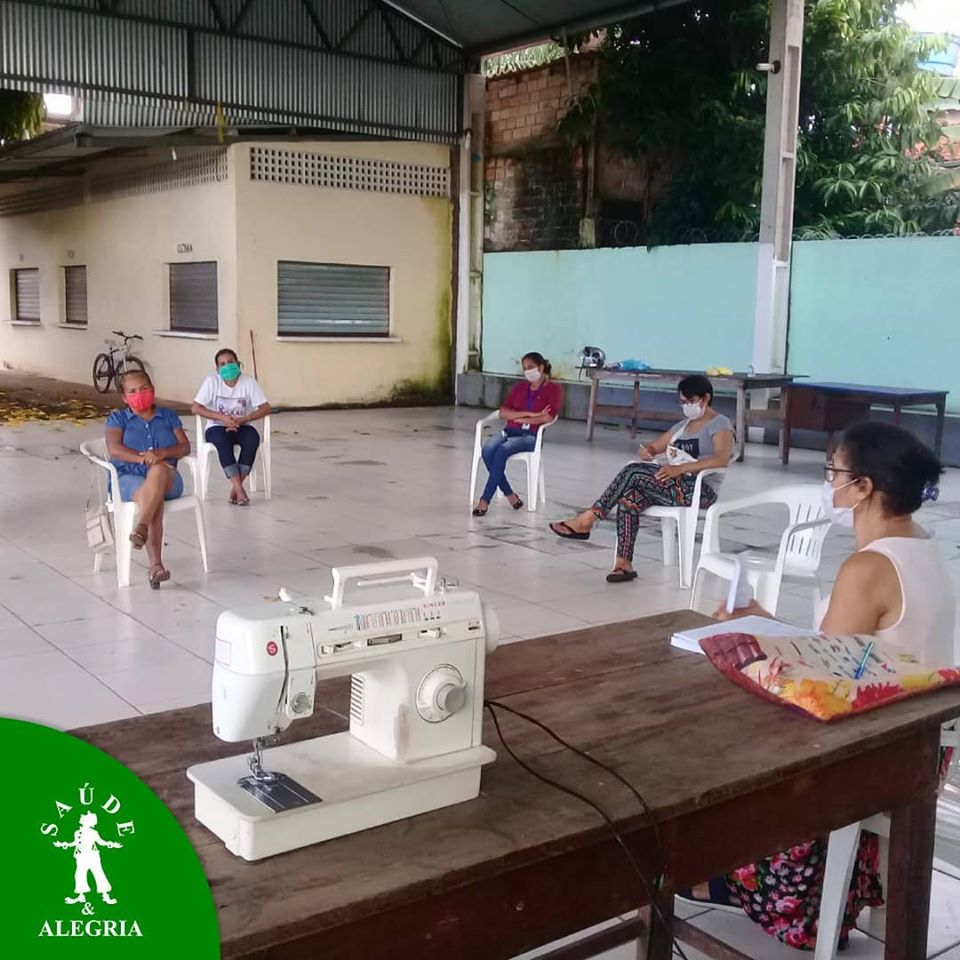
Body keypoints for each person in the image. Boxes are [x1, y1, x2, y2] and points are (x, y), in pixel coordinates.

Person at [687, 421, 955, 951]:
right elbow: (849, 651)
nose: (828, 483)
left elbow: (822, 679)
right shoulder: (922, 547)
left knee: (718, 731)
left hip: (874, 750)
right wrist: (767, 624)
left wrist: (751, 650)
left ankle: (748, 883)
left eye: (834, 471)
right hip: (919, 740)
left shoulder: (870, 566)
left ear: (864, 487)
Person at [550, 375, 733, 582]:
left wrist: (681, 468)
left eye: (691, 401)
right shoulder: (683, 426)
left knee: (633, 471)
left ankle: (587, 519)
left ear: (705, 398)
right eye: (683, 402)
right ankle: (623, 564)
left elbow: (722, 459)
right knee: (630, 498)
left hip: (701, 490)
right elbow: (655, 446)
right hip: (673, 485)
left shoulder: (720, 423)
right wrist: (648, 451)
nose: (687, 406)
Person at [105, 370, 190, 588]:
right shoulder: (117, 419)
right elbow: (114, 449)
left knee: (158, 474)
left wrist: (162, 453)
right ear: (124, 397)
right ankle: (156, 567)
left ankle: (141, 526)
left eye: (144, 389)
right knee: (153, 495)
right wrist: (143, 459)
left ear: (152, 389)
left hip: (169, 477)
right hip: (128, 478)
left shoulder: (168, 416)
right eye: (132, 391)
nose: (139, 394)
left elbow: (185, 447)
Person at [472, 352, 562, 517]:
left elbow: (548, 417)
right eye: (524, 368)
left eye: (530, 367)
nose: (527, 371)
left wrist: (520, 418)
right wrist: (530, 414)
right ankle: (510, 495)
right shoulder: (520, 387)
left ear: (541, 367)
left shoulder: (553, 389)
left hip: (530, 436)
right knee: (487, 449)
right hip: (510, 431)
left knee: (502, 450)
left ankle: (484, 500)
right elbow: (503, 412)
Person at [192, 349, 271, 505]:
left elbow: (265, 408)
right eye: (222, 364)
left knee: (252, 439)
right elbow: (195, 408)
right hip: (217, 426)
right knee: (223, 442)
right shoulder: (211, 382)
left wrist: (244, 419)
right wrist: (223, 418)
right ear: (217, 369)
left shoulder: (249, 383)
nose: (227, 366)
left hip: (242, 424)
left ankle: (236, 487)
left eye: (230, 362)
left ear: (238, 364)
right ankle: (239, 489)